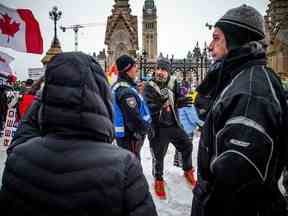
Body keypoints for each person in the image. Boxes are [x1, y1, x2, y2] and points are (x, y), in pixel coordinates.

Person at [0, 52, 157, 216]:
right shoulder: (125, 166)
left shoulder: (19, 160)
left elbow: (21, 138)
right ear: (102, 96)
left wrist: (43, 98)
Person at [191, 5, 288, 216]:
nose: (209, 46)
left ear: (234, 40)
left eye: (216, 38)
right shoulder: (240, 80)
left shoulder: (249, 93)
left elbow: (235, 186)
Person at [144, 58, 196, 199]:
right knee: (158, 155)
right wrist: (160, 104)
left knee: (187, 145)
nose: (161, 72)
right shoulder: (150, 86)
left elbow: (177, 100)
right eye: (159, 69)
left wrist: (181, 101)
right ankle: (158, 179)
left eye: (164, 70)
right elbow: (149, 106)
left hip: (173, 124)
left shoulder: (173, 83)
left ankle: (188, 170)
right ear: (155, 70)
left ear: (168, 72)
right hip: (159, 127)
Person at [112, 54, 152, 161]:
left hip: (126, 138)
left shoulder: (123, 86)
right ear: (128, 69)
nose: (137, 69)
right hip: (130, 138)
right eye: (135, 66)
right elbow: (134, 119)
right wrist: (145, 129)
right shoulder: (125, 92)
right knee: (133, 168)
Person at [174, 85, 203, 167]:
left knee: (179, 145)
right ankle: (183, 163)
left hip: (178, 127)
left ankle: (177, 161)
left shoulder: (176, 102)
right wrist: (203, 124)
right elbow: (193, 118)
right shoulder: (188, 103)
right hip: (187, 129)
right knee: (186, 147)